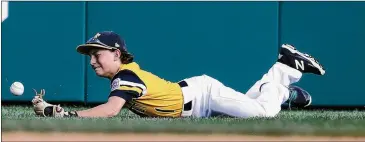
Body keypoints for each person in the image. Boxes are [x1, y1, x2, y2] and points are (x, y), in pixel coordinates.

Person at [31, 31, 325, 118]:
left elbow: (110, 111)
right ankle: (283, 93)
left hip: (203, 96)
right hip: (196, 104)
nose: (92, 60)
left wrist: (65, 115)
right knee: (253, 109)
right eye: (90, 55)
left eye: (97, 54)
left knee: (263, 116)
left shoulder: (126, 77)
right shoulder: (123, 76)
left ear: (117, 53)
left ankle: (285, 69)